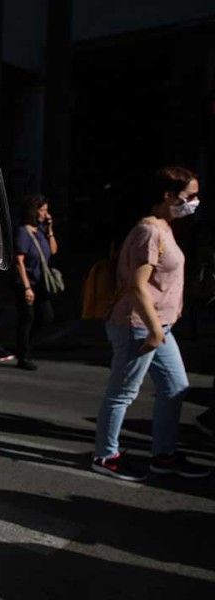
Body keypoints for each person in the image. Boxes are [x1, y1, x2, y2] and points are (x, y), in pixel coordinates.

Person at [92, 166, 209, 481]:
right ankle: (105, 455)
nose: (195, 202)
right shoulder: (149, 231)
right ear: (168, 196)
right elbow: (137, 286)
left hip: (159, 326)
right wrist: (156, 331)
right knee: (123, 392)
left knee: (175, 387)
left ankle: (164, 455)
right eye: (190, 196)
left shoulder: (165, 225)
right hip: (139, 325)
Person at [13, 194, 57, 370]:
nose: (45, 214)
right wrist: (26, 287)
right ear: (33, 211)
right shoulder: (23, 232)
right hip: (27, 282)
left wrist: (50, 229)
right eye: (42, 210)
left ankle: (26, 345)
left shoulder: (40, 231)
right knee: (27, 317)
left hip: (41, 283)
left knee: (46, 316)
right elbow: (19, 261)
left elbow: (53, 250)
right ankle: (23, 355)